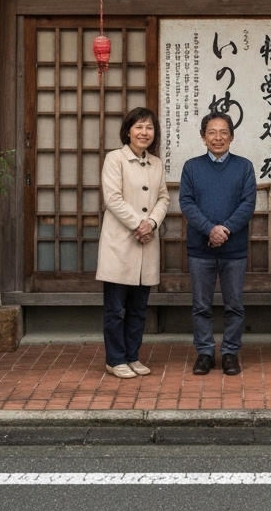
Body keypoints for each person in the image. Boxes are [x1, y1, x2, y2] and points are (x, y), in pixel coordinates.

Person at [179, 111, 256, 376]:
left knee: (234, 304)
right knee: (201, 305)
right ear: (203, 137)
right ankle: (205, 352)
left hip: (234, 250)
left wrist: (225, 230)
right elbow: (186, 203)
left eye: (224, 132)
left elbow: (248, 204)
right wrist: (210, 229)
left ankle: (231, 353)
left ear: (232, 137)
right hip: (200, 249)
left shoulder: (244, 166)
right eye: (212, 132)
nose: (218, 137)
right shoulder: (191, 167)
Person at [95, 107, 169, 379]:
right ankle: (115, 359)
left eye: (149, 127)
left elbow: (163, 198)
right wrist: (139, 222)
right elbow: (112, 199)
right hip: (121, 244)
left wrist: (152, 223)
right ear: (128, 131)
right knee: (115, 308)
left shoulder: (157, 163)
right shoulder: (115, 159)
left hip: (146, 241)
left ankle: (132, 356)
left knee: (139, 309)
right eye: (138, 127)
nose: (144, 132)